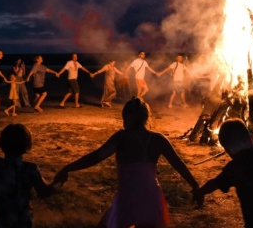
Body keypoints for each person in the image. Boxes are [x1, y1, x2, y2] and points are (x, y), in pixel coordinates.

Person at [52, 97, 200, 228]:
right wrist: (195, 185)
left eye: (124, 118)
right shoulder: (159, 139)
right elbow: (178, 163)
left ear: (128, 117)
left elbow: (96, 157)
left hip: (128, 197)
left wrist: (67, 168)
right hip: (152, 196)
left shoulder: (122, 137)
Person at [0, 123, 53, 227]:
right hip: (23, 222)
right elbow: (44, 192)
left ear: (2, 143)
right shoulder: (31, 169)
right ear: (27, 145)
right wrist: (58, 182)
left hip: (2, 222)